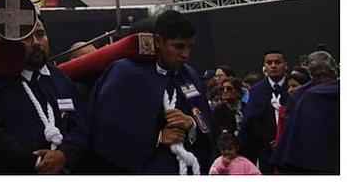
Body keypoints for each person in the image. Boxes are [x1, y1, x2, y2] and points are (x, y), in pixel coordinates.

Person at [85, 9, 212, 174]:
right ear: (158, 41)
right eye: (179, 47)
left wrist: (192, 124)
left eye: (190, 47)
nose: (185, 55)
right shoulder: (125, 74)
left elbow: (207, 124)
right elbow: (108, 132)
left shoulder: (189, 75)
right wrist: (157, 138)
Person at [0, 17, 88, 173]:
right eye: (26, 36)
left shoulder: (61, 79)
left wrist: (64, 155)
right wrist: (35, 161)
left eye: (40, 34)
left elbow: (81, 127)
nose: (36, 42)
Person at [270, 51, 339, 174]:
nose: (324, 81)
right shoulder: (301, 96)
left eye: (327, 75)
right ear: (311, 76)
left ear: (336, 70)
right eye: (319, 76)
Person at [240, 50, 288, 172]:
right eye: (269, 63)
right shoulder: (257, 90)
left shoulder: (293, 87)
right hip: (265, 149)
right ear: (265, 67)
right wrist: (271, 139)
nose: (273, 66)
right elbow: (251, 121)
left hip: (290, 146)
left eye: (277, 62)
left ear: (285, 65)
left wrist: (283, 138)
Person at [210, 77, 243, 144]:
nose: (225, 91)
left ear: (238, 91)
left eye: (229, 89)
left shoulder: (247, 107)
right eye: (222, 89)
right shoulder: (218, 111)